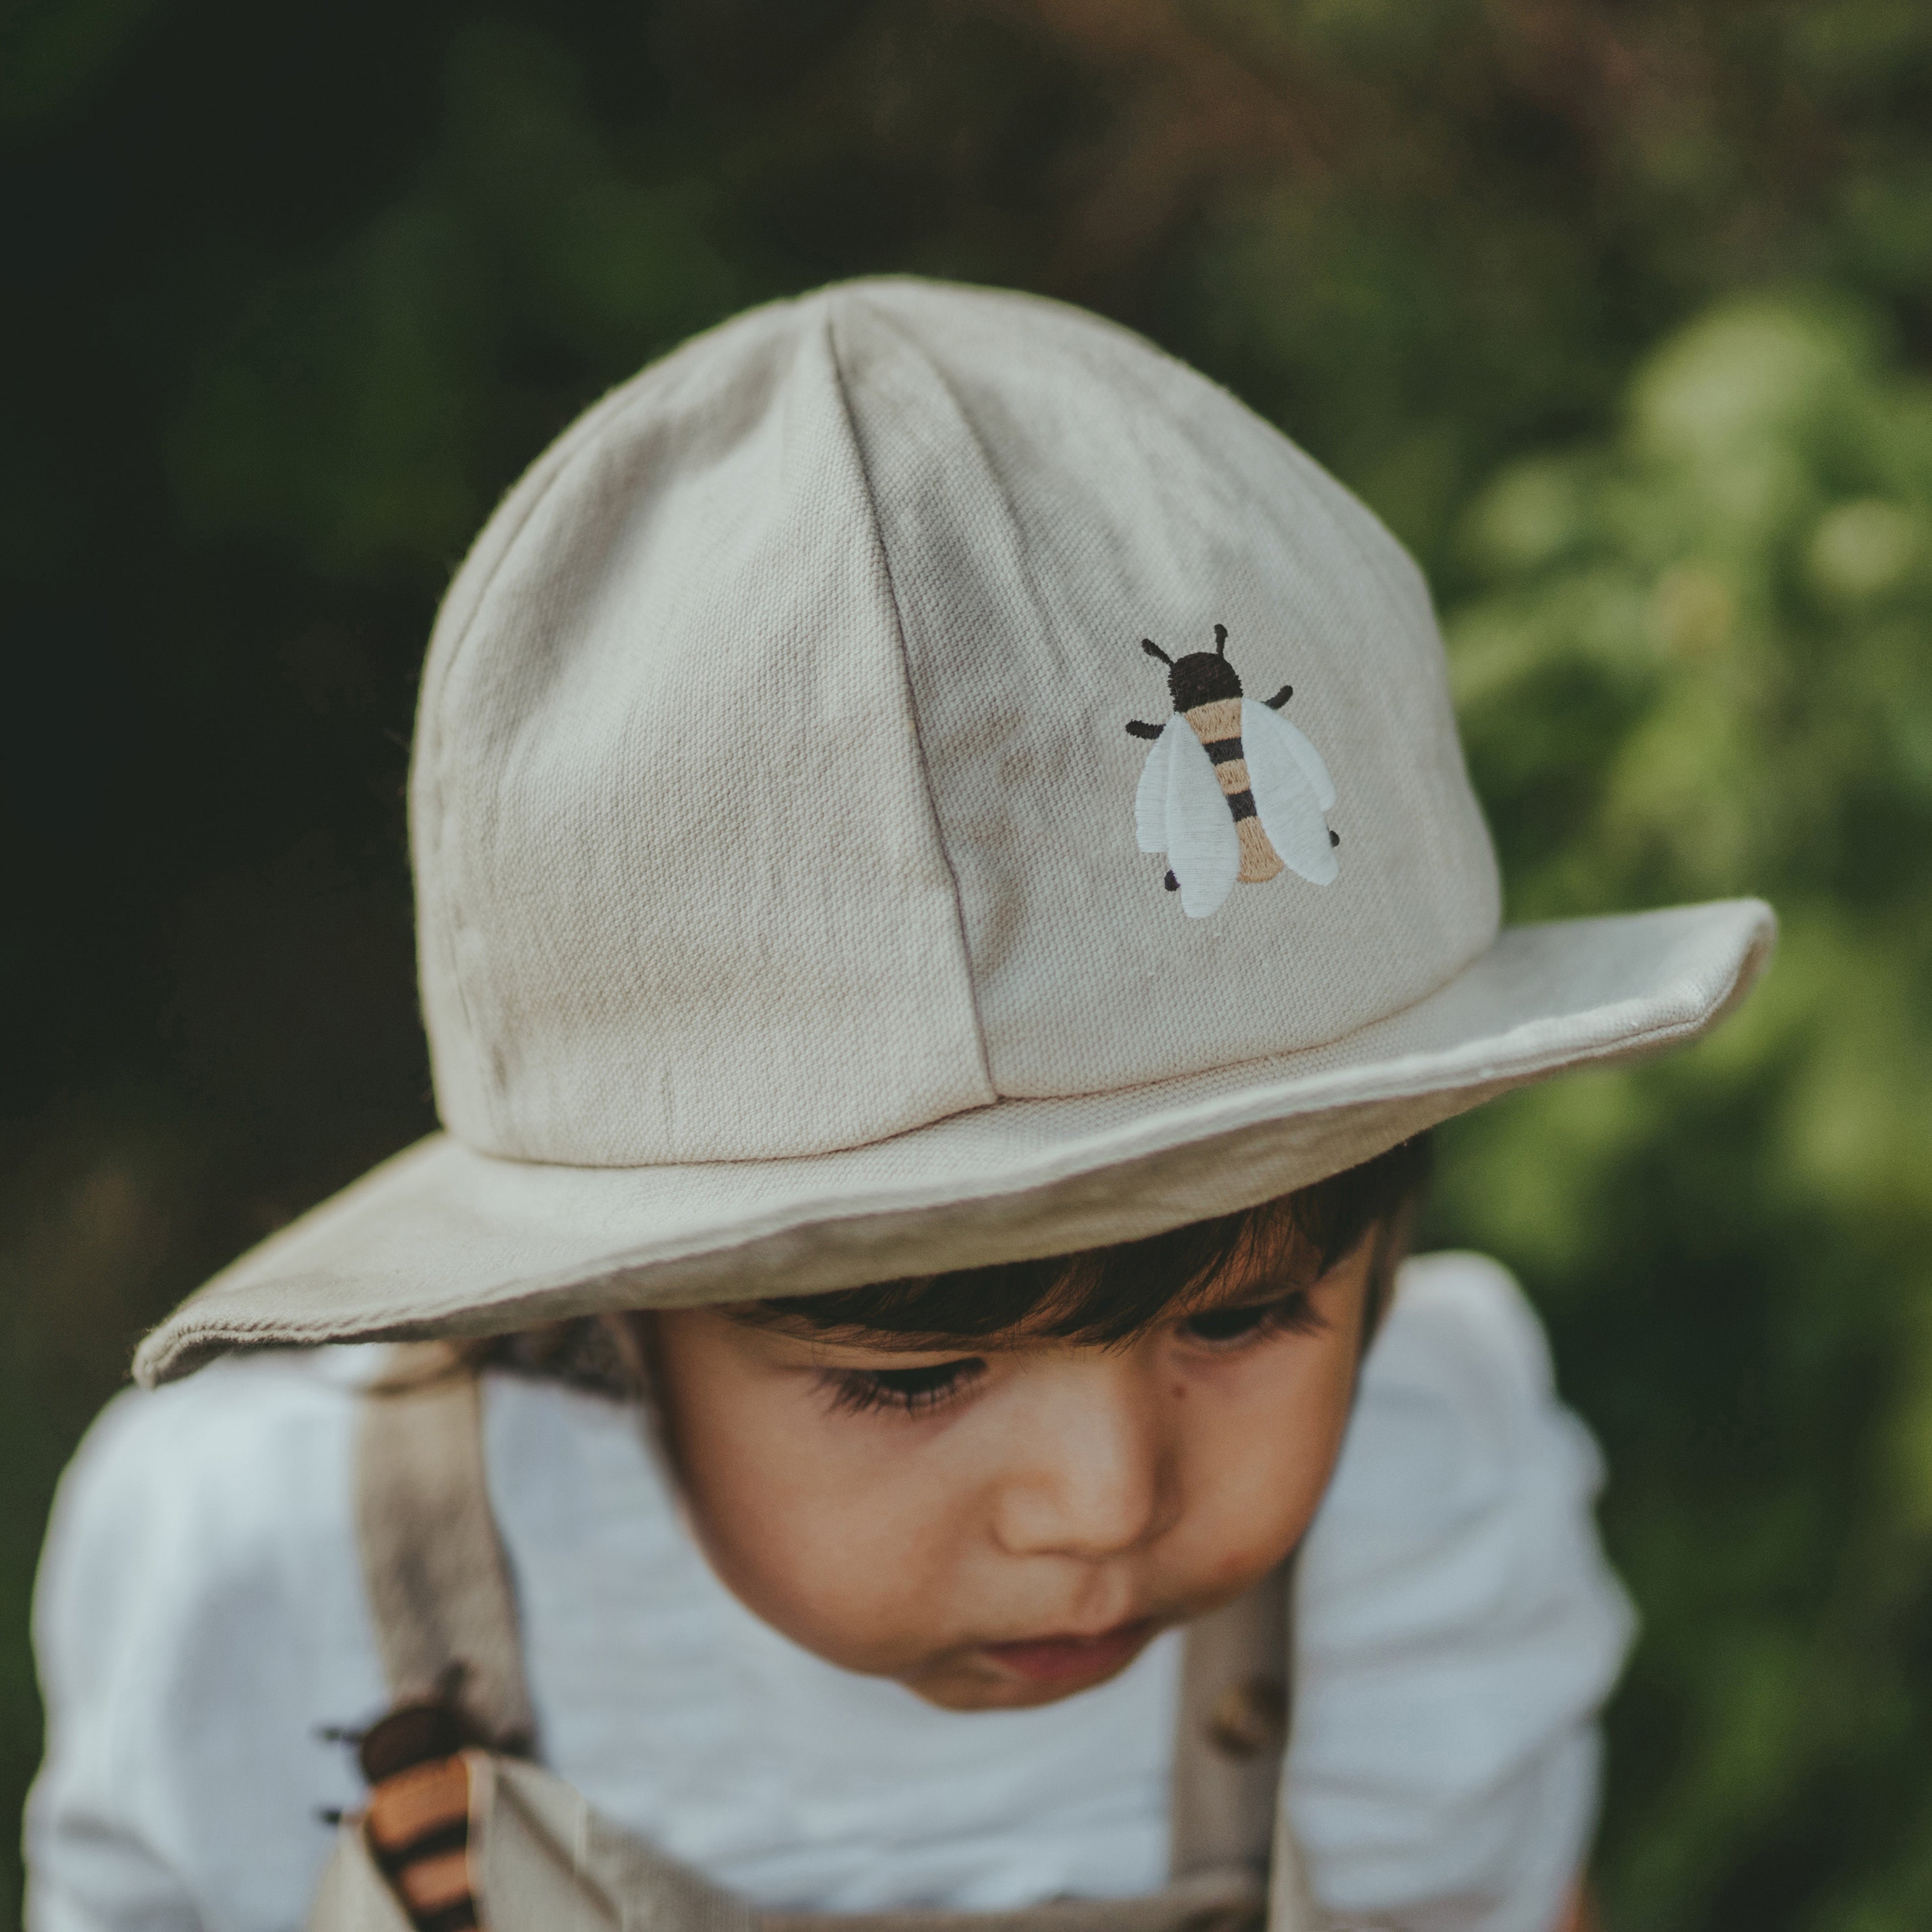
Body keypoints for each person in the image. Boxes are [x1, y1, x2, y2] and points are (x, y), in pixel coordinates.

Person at [26, 279, 1773, 1932]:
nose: (1101, 1500)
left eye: (1247, 1312)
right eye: (911, 1374)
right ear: (614, 1313)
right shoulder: (289, 1574)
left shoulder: (1414, 1516)